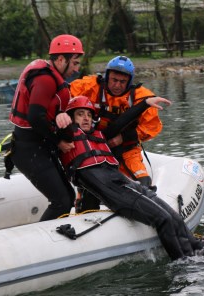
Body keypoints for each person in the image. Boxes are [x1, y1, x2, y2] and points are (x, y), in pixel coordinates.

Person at [58, 95, 200, 261]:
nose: (86, 118)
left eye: (89, 115)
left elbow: (122, 121)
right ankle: (183, 263)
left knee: (174, 217)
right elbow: (49, 124)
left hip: (123, 181)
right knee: (163, 219)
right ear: (71, 117)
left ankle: (197, 248)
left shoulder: (100, 134)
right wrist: (60, 116)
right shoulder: (66, 137)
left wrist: (145, 104)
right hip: (112, 190)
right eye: (80, 114)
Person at [70, 56, 166, 211]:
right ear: (107, 76)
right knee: (90, 187)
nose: (117, 85)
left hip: (127, 149)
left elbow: (151, 127)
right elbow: (65, 93)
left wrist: (123, 138)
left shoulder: (141, 96)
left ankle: (140, 210)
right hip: (96, 148)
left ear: (129, 81)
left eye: (122, 82)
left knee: (144, 183)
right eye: (113, 80)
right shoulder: (89, 86)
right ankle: (83, 200)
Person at [7, 34, 83, 221]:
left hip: (37, 147)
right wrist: (58, 142)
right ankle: (42, 243)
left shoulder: (50, 76)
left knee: (68, 198)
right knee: (62, 202)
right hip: (28, 150)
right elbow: (35, 117)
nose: (76, 68)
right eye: (74, 63)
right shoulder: (45, 79)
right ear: (60, 59)